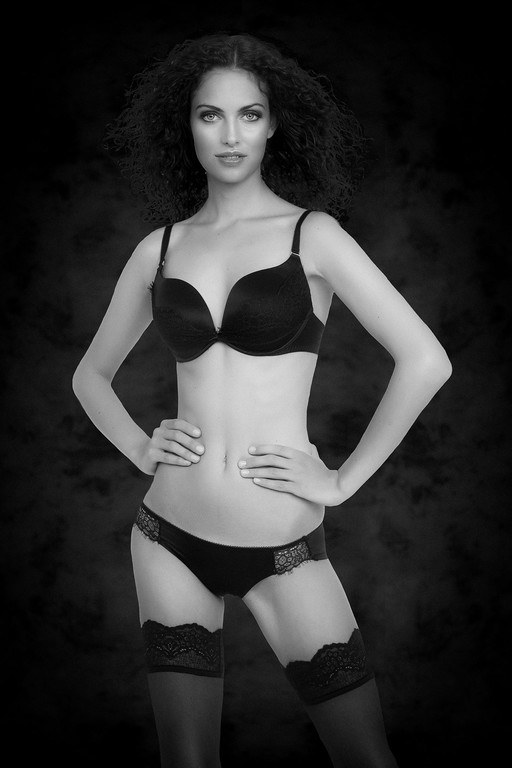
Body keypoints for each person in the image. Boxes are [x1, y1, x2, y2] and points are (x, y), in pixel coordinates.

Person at [72, 31, 452, 768]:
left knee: (365, 757)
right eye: (210, 115)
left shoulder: (314, 237)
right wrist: (138, 446)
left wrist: (341, 481)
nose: (230, 134)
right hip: (166, 537)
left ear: (275, 124)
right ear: (186, 126)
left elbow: (425, 360)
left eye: (249, 115)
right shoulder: (160, 248)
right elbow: (90, 375)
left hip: (283, 549)